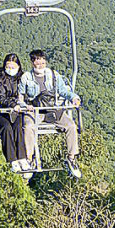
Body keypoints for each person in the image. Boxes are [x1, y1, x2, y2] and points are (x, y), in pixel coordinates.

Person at [20, 48, 81, 178]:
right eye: (37, 63)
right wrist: (26, 106)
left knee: (70, 126)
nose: (40, 66)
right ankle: (29, 159)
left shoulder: (53, 75)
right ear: (32, 63)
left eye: (42, 63)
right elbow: (20, 97)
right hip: (36, 109)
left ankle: (71, 158)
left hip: (52, 109)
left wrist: (74, 97)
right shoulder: (26, 77)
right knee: (29, 127)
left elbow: (63, 91)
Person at [0, 54, 34, 177]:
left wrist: (27, 104)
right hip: (0, 111)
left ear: (18, 67)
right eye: (8, 66)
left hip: (15, 111)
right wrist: (12, 104)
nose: (10, 69)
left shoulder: (22, 78)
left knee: (18, 127)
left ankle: (22, 159)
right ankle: (12, 160)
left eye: (13, 67)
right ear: (4, 66)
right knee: (7, 128)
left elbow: (26, 93)